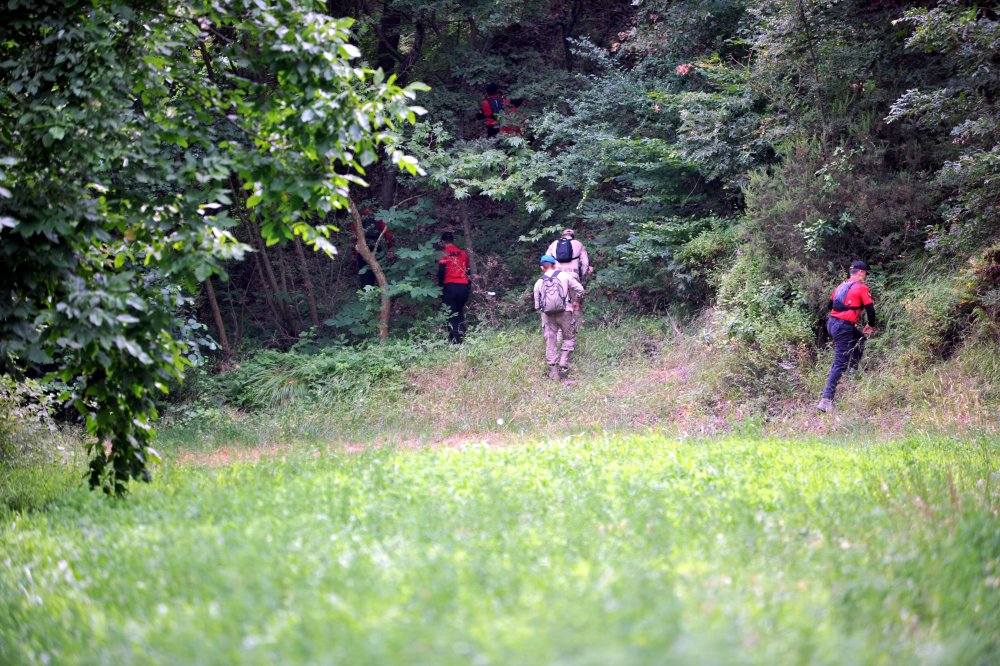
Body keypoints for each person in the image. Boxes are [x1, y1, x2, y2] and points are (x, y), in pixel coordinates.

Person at [817, 261, 878, 413]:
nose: (864, 276)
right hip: (843, 327)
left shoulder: (840, 286)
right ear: (861, 273)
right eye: (865, 273)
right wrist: (870, 324)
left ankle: (853, 370)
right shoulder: (861, 287)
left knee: (860, 339)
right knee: (839, 363)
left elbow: (830, 307)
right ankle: (826, 400)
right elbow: (870, 310)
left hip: (832, 324)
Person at [533, 254, 584, 380]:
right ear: (555, 265)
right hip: (565, 311)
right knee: (568, 337)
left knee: (551, 341)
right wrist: (576, 301)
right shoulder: (565, 276)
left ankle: (554, 372)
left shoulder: (538, 282)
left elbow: (536, 305)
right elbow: (580, 290)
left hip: (548, 315)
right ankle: (563, 361)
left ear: (542, 268)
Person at [545, 228, 591, 331]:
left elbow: (546, 261)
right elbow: (585, 264)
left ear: (562, 235)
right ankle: (578, 328)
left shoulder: (554, 244)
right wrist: (581, 276)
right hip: (572, 276)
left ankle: (559, 330)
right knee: (576, 303)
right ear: (573, 236)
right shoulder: (579, 244)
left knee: (559, 303)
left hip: (557, 277)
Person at [437, 232, 471, 343]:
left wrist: (440, 286)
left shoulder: (442, 253)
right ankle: (462, 337)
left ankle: (455, 341)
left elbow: (441, 271)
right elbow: (468, 270)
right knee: (459, 310)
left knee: (451, 313)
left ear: (442, 242)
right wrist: (468, 285)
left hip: (450, 286)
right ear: (452, 240)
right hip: (463, 286)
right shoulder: (463, 253)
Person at [353, 211, 394, 287]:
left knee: (364, 274)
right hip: (376, 248)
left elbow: (354, 237)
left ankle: (366, 292)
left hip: (362, 250)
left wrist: (354, 253)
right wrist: (389, 247)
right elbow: (387, 234)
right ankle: (378, 291)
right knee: (376, 272)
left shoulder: (358, 218)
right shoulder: (378, 218)